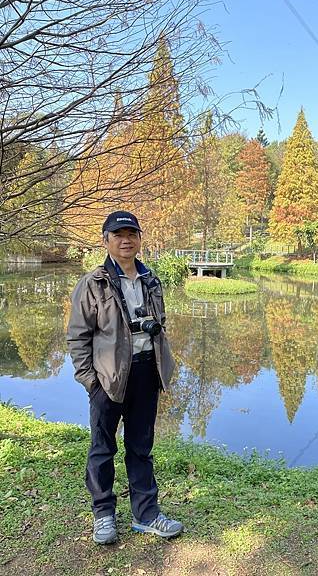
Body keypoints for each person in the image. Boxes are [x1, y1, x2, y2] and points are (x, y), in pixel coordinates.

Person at [67, 210, 183, 544]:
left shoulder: (151, 279)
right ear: (106, 240)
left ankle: (146, 515)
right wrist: (90, 380)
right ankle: (103, 514)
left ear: (139, 239)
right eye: (118, 234)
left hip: (146, 371)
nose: (125, 240)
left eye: (131, 233)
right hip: (108, 376)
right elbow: (77, 336)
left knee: (140, 447)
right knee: (102, 448)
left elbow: (160, 325)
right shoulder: (94, 282)